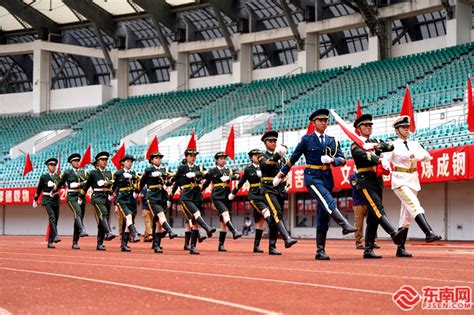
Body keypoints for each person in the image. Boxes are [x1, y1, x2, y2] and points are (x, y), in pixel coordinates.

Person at [276, 109, 356, 260]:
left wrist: (333, 161)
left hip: (327, 177)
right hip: (312, 177)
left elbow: (343, 159)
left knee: (323, 215)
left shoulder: (333, 140)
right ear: (314, 123)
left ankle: (320, 250)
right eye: (320, 120)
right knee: (327, 199)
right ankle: (344, 224)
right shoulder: (307, 139)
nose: (323, 123)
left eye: (325, 120)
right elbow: (293, 158)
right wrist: (281, 175)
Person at [383, 115, 442, 257]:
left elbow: (427, 155)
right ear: (397, 130)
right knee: (414, 205)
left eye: (407, 127)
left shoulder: (415, 144)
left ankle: (400, 248)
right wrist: (387, 167)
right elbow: (385, 160)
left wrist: (415, 156)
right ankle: (429, 232)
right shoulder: (392, 145)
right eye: (403, 127)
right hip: (400, 180)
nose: (406, 129)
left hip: (413, 179)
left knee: (407, 216)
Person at [350, 114, 406, 259]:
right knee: (377, 207)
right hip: (365, 180)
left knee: (374, 217)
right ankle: (393, 233)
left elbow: (390, 146)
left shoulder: (373, 142)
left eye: (370, 125)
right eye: (365, 125)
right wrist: (378, 158)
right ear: (359, 128)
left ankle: (368, 249)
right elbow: (363, 156)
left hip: (377, 180)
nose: (368, 127)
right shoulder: (355, 145)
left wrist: (375, 146)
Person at [259, 130, 297, 255]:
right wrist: (277, 155)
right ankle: (287, 238)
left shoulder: (282, 158)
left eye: (275, 141)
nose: (273, 143)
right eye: (271, 141)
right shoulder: (262, 156)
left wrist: (286, 184)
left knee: (275, 218)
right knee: (277, 212)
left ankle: (272, 246)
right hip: (268, 188)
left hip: (279, 188)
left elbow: (284, 172)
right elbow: (266, 165)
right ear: (265, 143)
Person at [173, 148, 216, 254]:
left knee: (195, 223)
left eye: (194, 156)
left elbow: (207, 174)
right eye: (191, 156)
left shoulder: (198, 167)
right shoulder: (182, 168)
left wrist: (197, 174)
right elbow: (176, 178)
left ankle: (193, 247)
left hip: (197, 195)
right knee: (196, 213)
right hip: (186, 196)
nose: (193, 158)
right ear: (186, 157)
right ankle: (207, 228)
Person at [230, 149, 268, 253]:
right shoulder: (248, 169)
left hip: (264, 195)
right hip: (254, 195)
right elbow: (241, 182)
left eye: (259, 155)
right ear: (251, 158)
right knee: (266, 215)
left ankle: (256, 246)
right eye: (255, 155)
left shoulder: (264, 166)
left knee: (260, 222)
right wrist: (233, 193)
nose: (258, 157)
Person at [202, 152, 242, 252]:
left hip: (227, 196)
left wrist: (230, 177)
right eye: (221, 158)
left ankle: (221, 245)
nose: (223, 160)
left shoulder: (229, 170)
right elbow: (206, 184)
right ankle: (234, 231)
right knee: (225, 214)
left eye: (224, 158)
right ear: (216, 160)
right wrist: (198, 192)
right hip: (217, 196)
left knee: (223, 222)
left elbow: (238, 176)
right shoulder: (212, 171)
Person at [139, 151, 177, 254]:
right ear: (151, 160)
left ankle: (157, 245)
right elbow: (142, 182)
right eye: (156, 158)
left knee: (158, 222)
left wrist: (168, 182)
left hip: (162, 197)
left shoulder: (164, 170)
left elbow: (172, 177)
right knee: (161, 216)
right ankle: (170, 231)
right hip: (152, 197)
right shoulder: (149, 170)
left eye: (160, 158)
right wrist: (151, 174)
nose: (158, 159)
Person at [82, 151, 116, 251]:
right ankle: (108, 232)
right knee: (103, 214)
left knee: (103, 220)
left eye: (106, 160)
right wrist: (80, 196)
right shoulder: (93, 173)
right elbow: (86, 185)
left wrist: (106, 182)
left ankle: (99, 243)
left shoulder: (109, 173)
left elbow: (114, 182)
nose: (105, 162)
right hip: (97, 197)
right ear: (98, 161)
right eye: (102, 160)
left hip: (106, 197)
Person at [55, 153, 89, 250]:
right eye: (75, 161)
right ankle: (82, 229)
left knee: (79, 218)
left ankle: (75, 241)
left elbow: (88, 183)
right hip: (72, 196)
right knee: (77, 212)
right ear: (71, 163)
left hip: (81, 196)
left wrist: (79, 184)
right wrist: (54, 190)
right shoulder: (67, 172)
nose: (77, 162)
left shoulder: (84, 172)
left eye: (78, 161)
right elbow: (60, 183)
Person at [112, 154, 141, 252]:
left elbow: (138, 183)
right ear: (123, 163)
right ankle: (135, 234)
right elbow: (114, 186)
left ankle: (124, 244)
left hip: (131, 200)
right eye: (127, 161)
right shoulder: (118, 173)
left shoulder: (133, 173)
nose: (130, 163)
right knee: (128, 217)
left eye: (131, 161)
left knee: (128, 222)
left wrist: (136, 192)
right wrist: (111, 197)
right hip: (122, 199)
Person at [32, 157, 61, 249]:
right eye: (51, 165)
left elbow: (63, 185)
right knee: (52, 217)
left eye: (54, 165)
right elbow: (39, 188)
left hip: (55, 199)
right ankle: (56, 235)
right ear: (48, 166)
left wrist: (55, 185)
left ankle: (50, 242)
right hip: (47, 199)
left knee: (55, 220)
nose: (53, 167)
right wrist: (35, 199)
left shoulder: (58, 176)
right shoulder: (44, 176)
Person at [350, 172, 380, 250]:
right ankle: (359, 242)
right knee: (358, 224)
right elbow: (356, 187)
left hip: (368, 202)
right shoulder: (353, 176)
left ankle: (373, 241)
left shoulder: (367, 174)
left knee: (372, 222)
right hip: (358, 203)